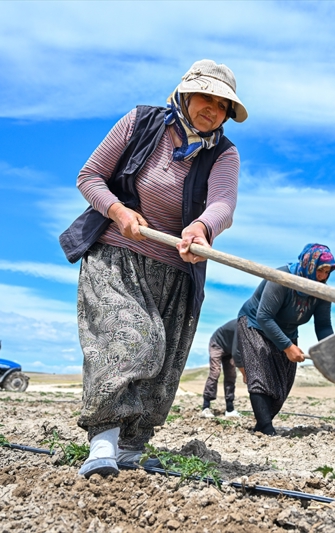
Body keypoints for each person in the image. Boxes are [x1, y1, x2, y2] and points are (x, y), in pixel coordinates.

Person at [58, 59, 248, 478]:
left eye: (223, 105)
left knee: (163, 361)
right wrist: (118, 210)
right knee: (132, 340)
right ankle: (102, 443)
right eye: (206, 97)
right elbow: (90, 176)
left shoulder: (223, 153)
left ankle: (131, 447)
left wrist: (202, 227)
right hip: (117, 256)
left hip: (176, 270)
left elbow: (223, 203)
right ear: (184, 94)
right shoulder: (141, 123)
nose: (213, 109)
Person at [236, 244, 335, 436]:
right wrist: (288, 347)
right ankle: (266, 428)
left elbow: (323, 325)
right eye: (320, 270)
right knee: (260, 373)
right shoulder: (282, 278)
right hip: (255, 324)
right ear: (309, 265)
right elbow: (264, 316)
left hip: (287, 332)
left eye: (327, 272)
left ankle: (262, 425)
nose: (323, 276)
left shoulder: (322, 292)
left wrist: (329, 349)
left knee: (282, 384)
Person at [201, 319, 241, 418]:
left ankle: (230, 408)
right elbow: (237, 351)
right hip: (217, 344)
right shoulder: (240, 326)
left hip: (229, 349)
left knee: (231, 375)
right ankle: (206, 407)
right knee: (215, 372)